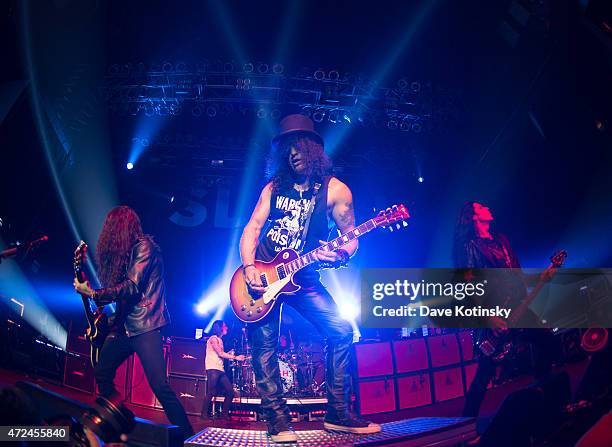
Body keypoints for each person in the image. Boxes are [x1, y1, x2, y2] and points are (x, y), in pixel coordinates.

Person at [239, 114, 381, 442]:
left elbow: (350, 236)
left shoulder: (335, 190)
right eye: (287, 147)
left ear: (314, 149)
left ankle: (338, 413)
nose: (293, 153)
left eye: (299, 146)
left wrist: (342, 254)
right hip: (263, 274)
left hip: (304, 276)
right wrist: (248, 268)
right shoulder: (274, 188)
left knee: (341, 330)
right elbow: (252, 229)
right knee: (264, 346)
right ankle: (276, 420)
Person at [73, 206, 193, 439]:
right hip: (124, 327)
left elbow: (131, 287)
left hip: (146, 325)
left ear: (118, 229)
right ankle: (120, 419)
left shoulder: (145, 248)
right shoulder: (126, 254)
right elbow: (120, 294)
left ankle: (188, 437)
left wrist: (95, 294)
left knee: (160, 386)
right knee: (102, 371)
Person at [453, 201, 557, 417]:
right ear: (474, 217)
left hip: (517, 308)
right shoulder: (468, 246)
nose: (488, 208)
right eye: (481, 207)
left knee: (548, 341)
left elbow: (515, 276)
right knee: (485, 373)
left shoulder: (502, 241)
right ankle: (464, 425)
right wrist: (488, 316)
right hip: (494, 314)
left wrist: (540, 276)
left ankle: (544, 399)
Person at [200, 320, 245, 420]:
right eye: (225, 326)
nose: (226, 328)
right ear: (219, 328)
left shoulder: (220, 340)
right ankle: (203, 415)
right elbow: (220, 353)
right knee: (211, 392)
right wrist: (236, 357)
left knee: (230, 392)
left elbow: (221, 354)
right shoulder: (213, 338)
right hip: (213, 368)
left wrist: (229, 354)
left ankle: (224, 416)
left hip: (220, 369)